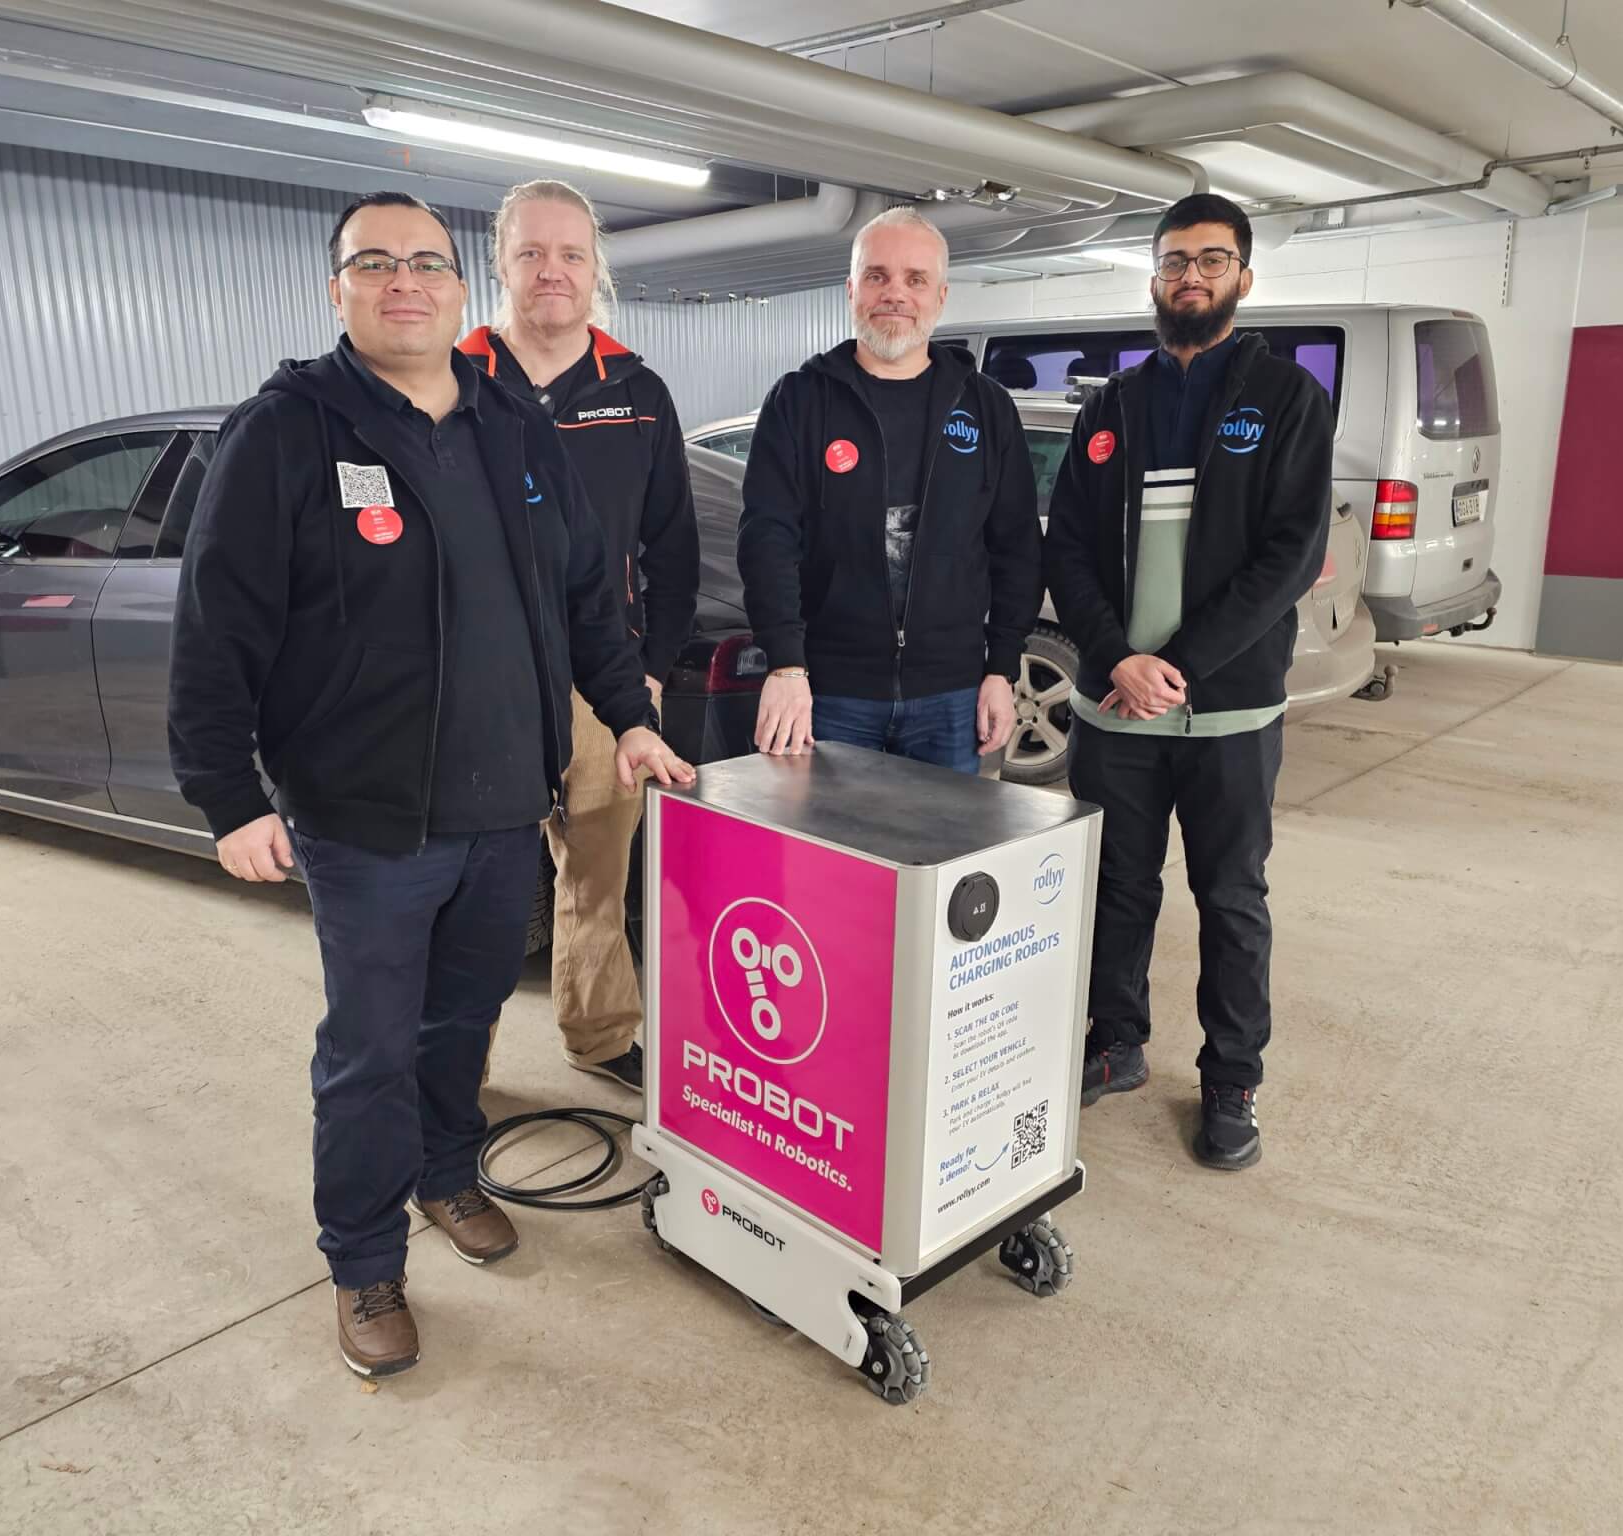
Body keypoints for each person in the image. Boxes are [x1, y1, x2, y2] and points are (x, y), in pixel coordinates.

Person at [167, 190, 694, 1379]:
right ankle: (362, 1261)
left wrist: (628, 720)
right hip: (366, 822)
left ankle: (449, 1175)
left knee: (462, 1023)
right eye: (374, 264)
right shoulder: (289, 431)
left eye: (424, 263)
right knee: (369, 1048)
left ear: (459, 290)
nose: (402, 282)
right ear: (337, 289)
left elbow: (580, 600)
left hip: (506, 803)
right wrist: (228, 799)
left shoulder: (511, 427)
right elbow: (217, 632)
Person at [1045, 193, 1332, 1172]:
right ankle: (1114, 1041)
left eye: (1211, 260)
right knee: (1115, 887)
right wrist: (1113, 658)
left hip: (1227, 708)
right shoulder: (1110, 407)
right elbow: (1068, 550)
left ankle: (1230, 1080)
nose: (1190, 277)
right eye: (1173, 262)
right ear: (1153, 279)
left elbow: (1290, 555)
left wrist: (1178, 665)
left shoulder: (1285, 398)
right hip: (1111, 708)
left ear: (1243, 279)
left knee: (1228, 897)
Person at [457, 179, 698, 1094]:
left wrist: (652, 676)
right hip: (483, 685)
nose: (551, 272)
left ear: (595, 267)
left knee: (598, 867)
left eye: (570, 254)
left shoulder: (636, 390)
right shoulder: (452, 378)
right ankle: (459, 1061)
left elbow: (674, 543)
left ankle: (598, 1035)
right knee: (474, 883)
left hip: (606, 684)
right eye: (530, 253)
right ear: (501, 264)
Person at [738, 207, 1040, 771]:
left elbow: (1016, 546)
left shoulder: (986, 405)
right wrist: (785, 665)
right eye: (876, 276)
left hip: (951, 695)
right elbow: (767, 540)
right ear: (852, 290)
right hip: (828, 691)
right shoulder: (800, 400)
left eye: (915, 279)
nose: (894, 293)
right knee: (831, 856)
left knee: (941, 855)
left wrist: (1001, 666)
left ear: (941, 296)